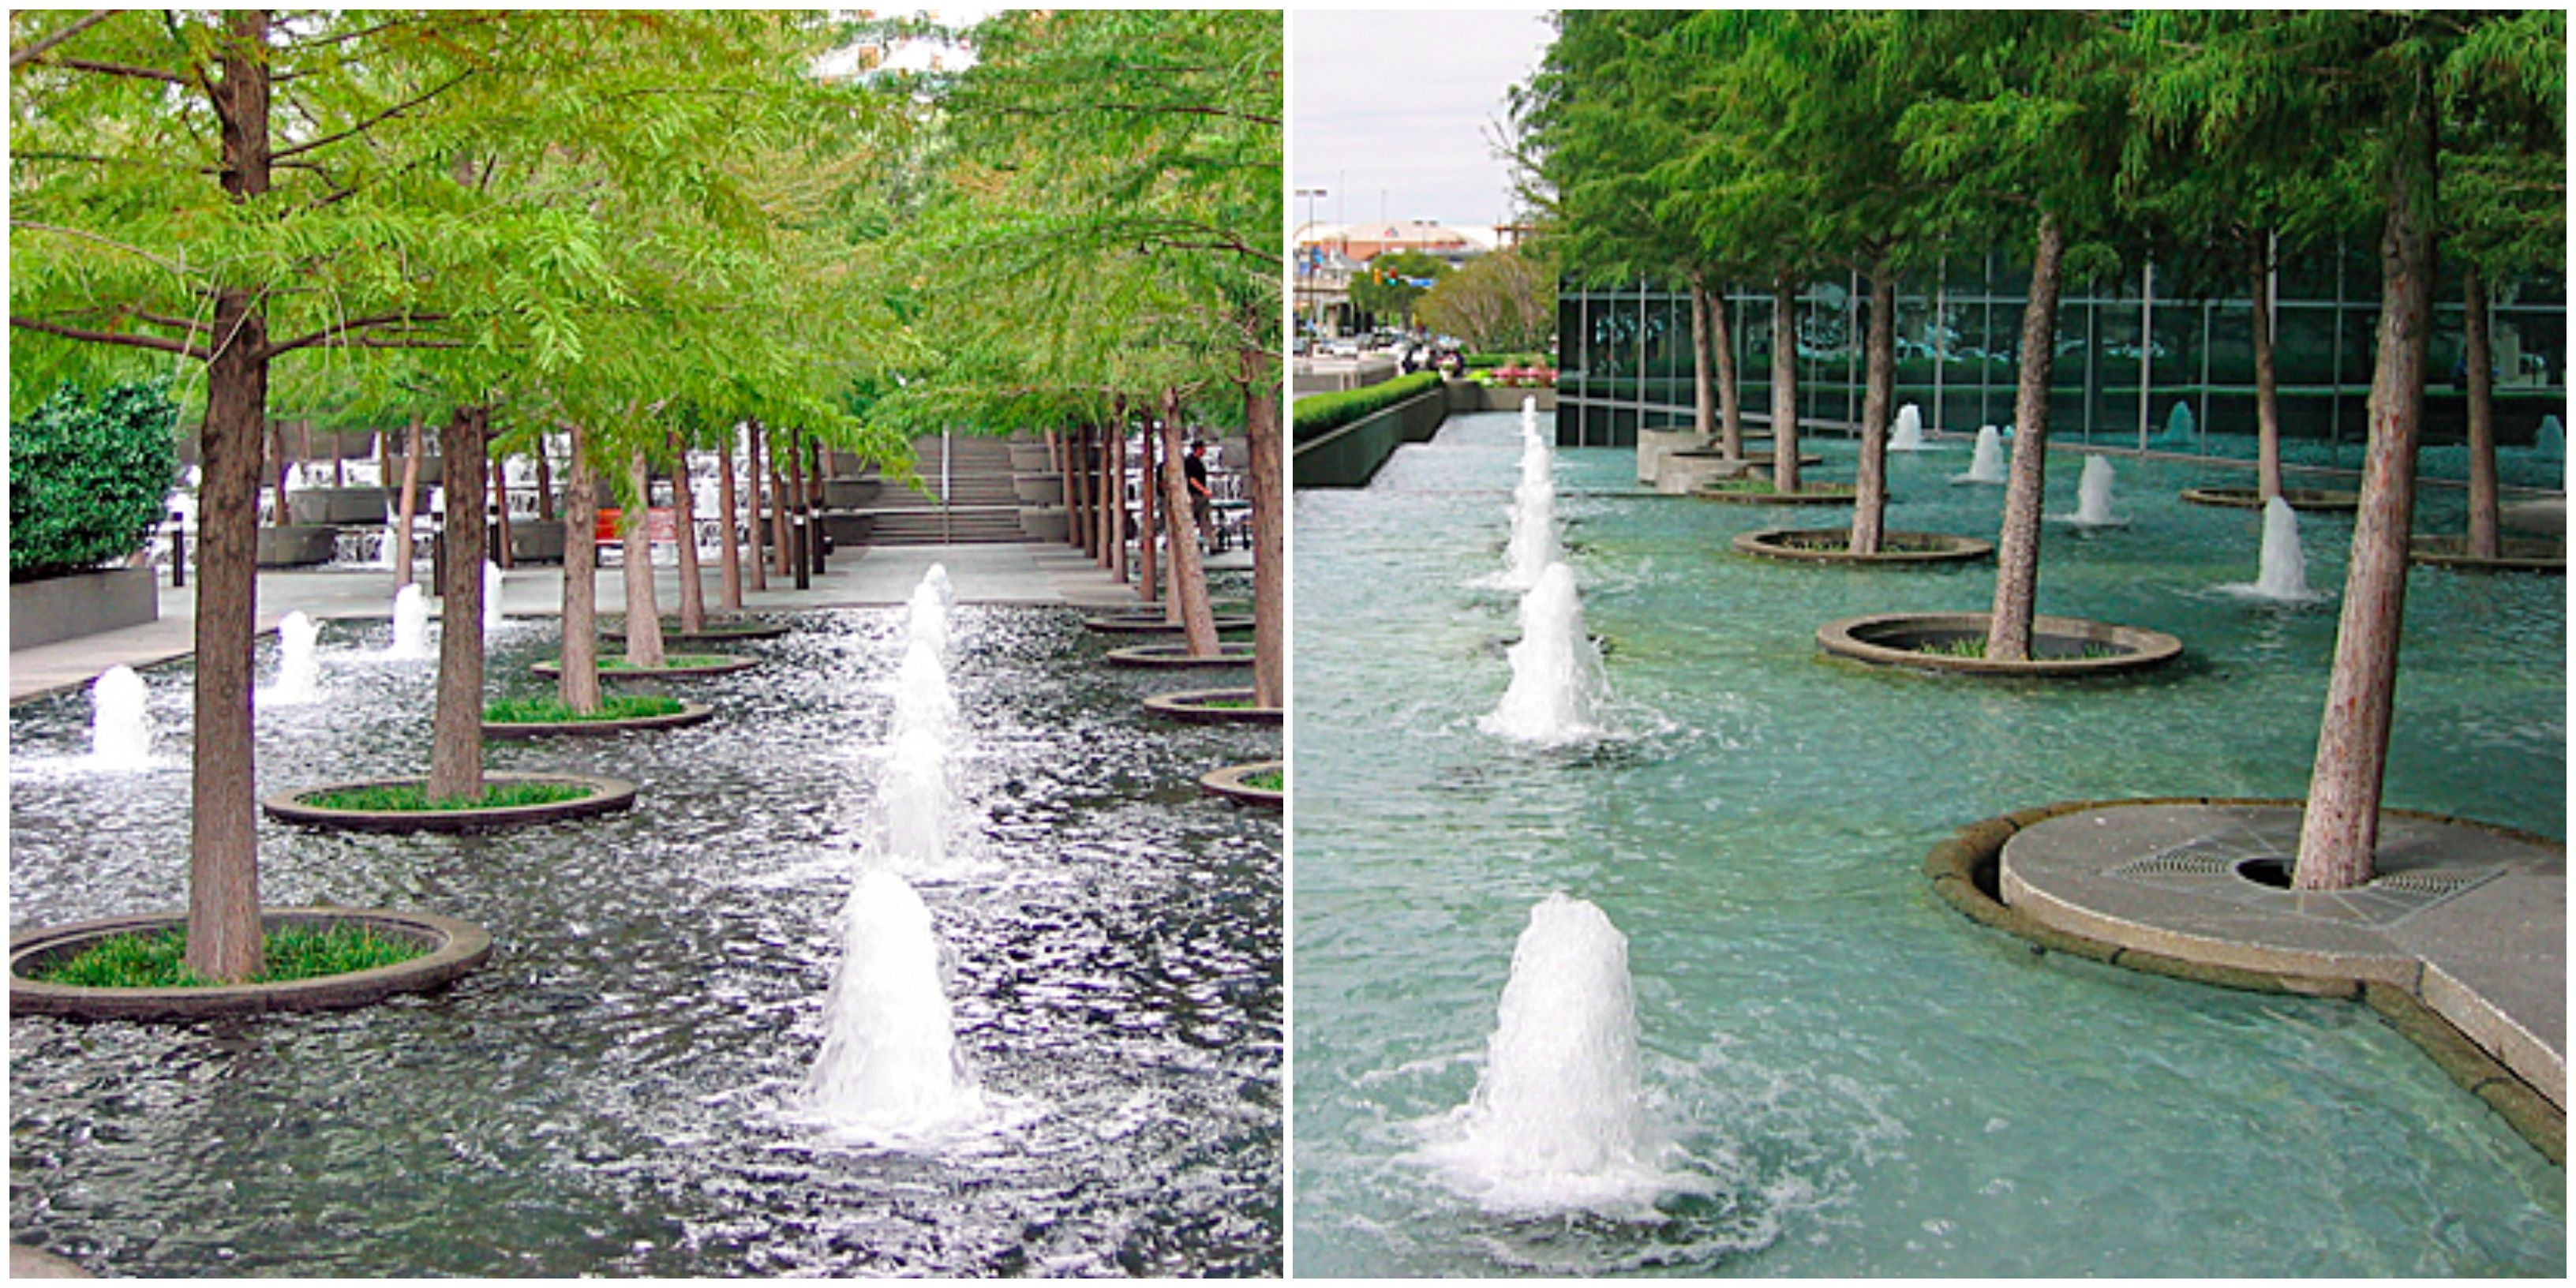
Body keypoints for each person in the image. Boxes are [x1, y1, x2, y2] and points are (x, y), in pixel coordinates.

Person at [1184, 439, 1214, 551]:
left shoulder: (1198, 461)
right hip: (1194, 495)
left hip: (1200, 496)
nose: (1205, 450)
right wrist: (1204, 490)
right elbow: (1192, 480)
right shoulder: (1190, 462)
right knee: (1194, 520)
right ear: (1198, 449)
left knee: (1205, 520)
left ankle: (1212, 544)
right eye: (1203, 448)